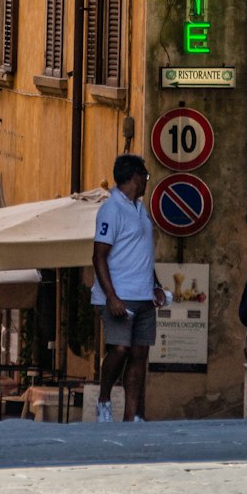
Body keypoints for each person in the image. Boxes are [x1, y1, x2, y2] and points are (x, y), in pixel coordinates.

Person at [91, 154, 166, 423]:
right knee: (120, 349)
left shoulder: (140, 209)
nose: (146, 182)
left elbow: (143, 253)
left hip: (143, 295)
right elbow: (98, 255)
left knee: (139, 354)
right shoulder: (111, 210)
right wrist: (111, 296)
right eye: (145, 177)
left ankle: (132, 415)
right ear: (135, 177)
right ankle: (103, 398)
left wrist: (156, 285)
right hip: (118, 296)